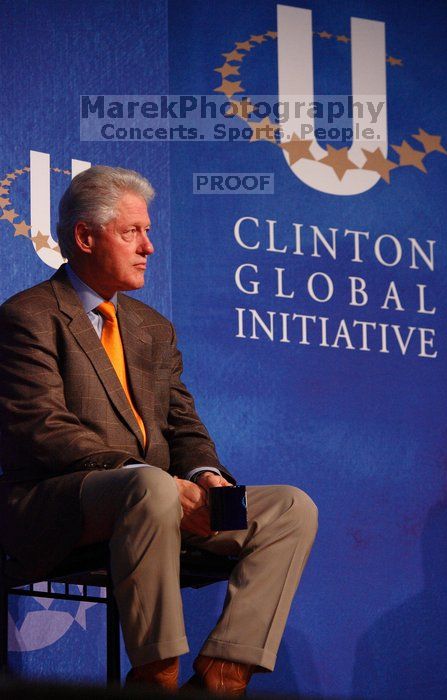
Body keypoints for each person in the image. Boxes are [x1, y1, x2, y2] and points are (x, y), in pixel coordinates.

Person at [0, 166, 318, 694]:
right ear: (84, 236)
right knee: (149, 487)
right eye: (132, 232)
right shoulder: (28, 316)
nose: (149, 247)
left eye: (148, 232)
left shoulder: (152, 327)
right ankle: (156, 676)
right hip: (55, 504)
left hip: (158, 499)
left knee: (289, 508)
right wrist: (150, 478)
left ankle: (223, 674)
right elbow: (41, 428)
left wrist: (205, 474)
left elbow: (183, 423)